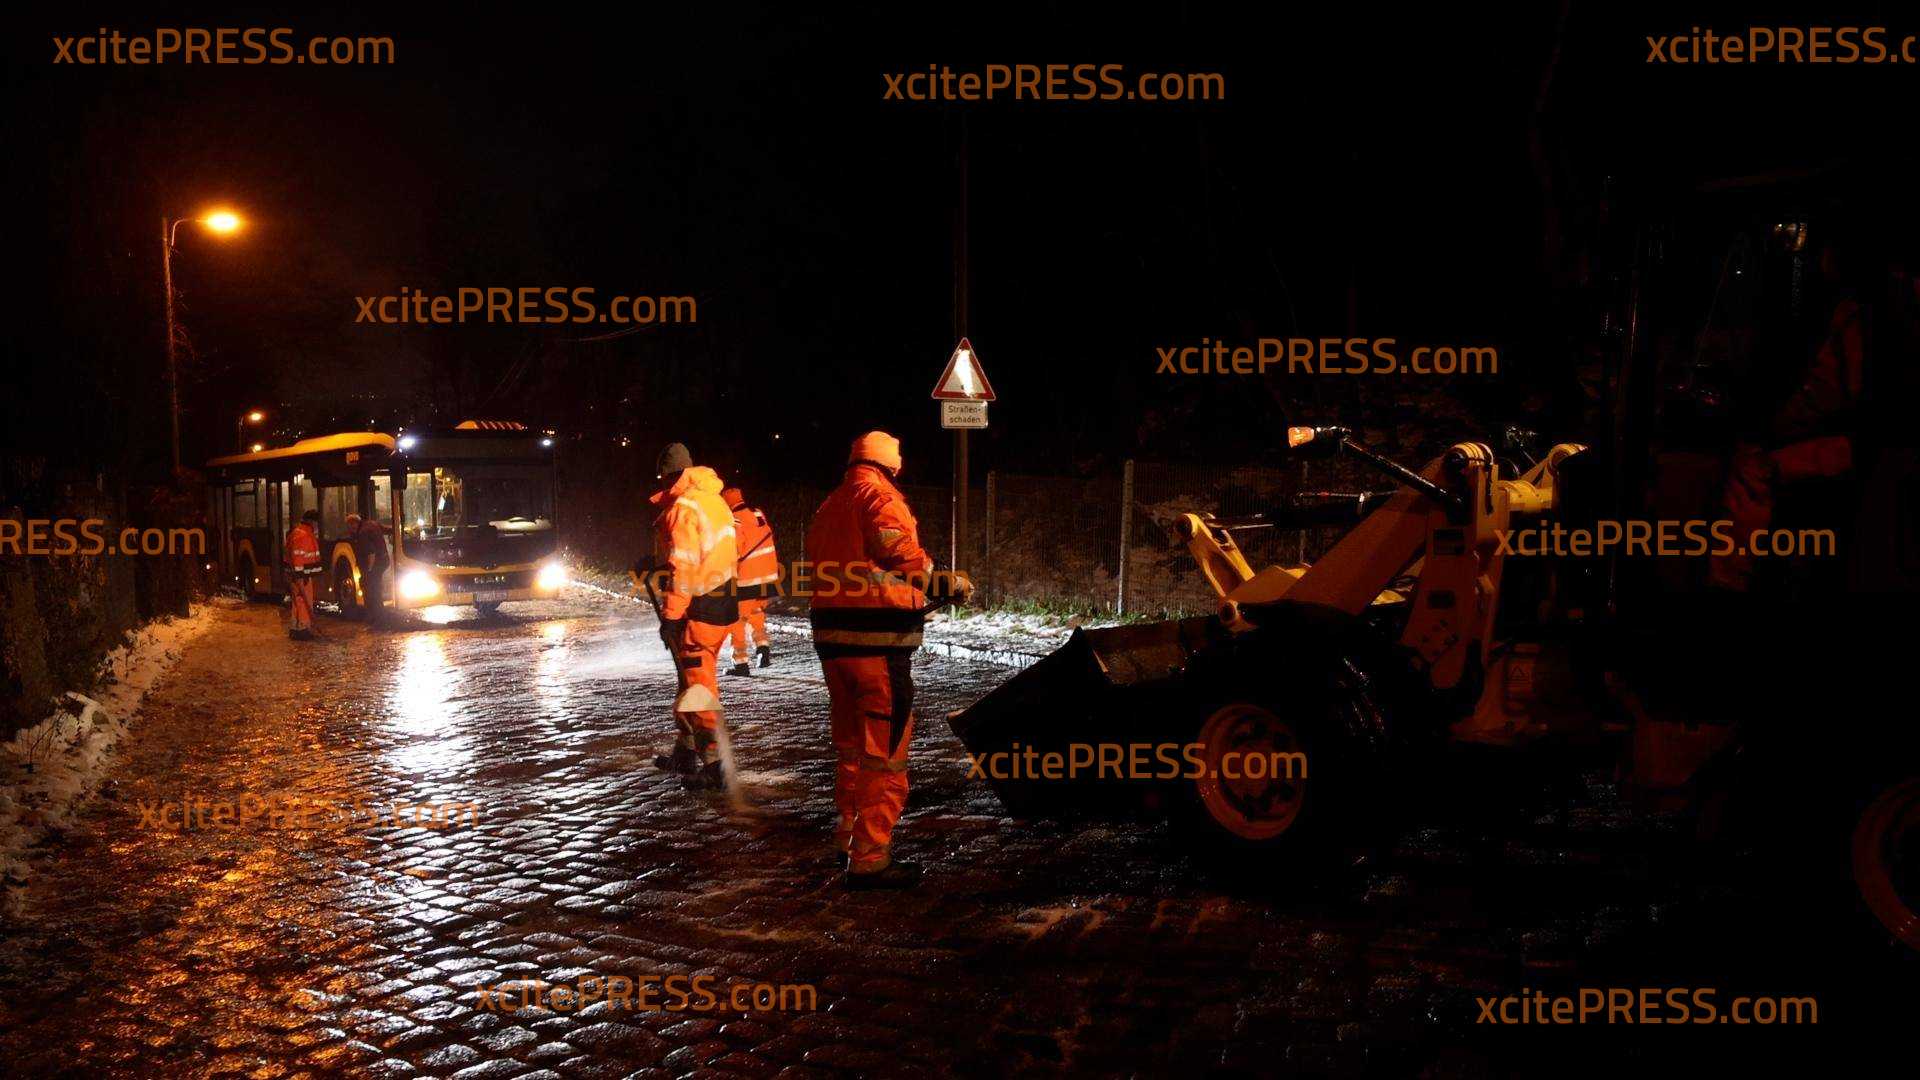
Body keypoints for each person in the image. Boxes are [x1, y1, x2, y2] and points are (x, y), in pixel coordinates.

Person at [806, 431, 971, 889]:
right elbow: (898, 553)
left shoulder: (831, 504)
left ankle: (847, 836)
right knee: (885, 751)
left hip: (833, 644)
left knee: (852, 746)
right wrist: (944, 582)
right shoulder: (878, 497)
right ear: (891, 464)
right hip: (877, 646)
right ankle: (871, 856)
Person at [645, 443, 739, 790]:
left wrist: (672, 615)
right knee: (690, 681)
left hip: (701, 607)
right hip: (725, 601)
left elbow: (684, 567)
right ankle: (684, 752)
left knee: (698, 688)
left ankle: (714, 766)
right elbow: (712, 554)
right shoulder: (714, 500)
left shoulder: (682, 508)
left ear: (669, 475)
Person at [721, 485, 779, 676]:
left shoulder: (734, 520)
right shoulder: (757, 513)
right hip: (769, 575)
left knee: (737, 621)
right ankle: (763, 650)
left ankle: (741, 664)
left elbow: (734, 549)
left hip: (747, 578)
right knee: (757, 614)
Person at [345, 512, 392, 624]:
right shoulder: (372, 524)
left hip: (375, 564)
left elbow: (371, 553)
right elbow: (388, 529)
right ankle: (379, 615)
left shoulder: (362, 533)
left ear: (354, 524)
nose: (349, 530)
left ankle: (375, 617)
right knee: (376, 588)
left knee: (371, 589)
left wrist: (369, 571)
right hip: (383, 561)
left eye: (350, 526)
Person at [284, 509, 323, 640]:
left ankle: (296, 628)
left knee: (298, 601)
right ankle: (302, 629)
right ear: (312, 522)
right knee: (302, 601)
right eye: (317, 523)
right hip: (302, 576)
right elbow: (298, 557)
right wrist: (300, 576)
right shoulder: (303, 535)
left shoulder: (299, 532)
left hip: (299, 575)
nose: (318, 526)